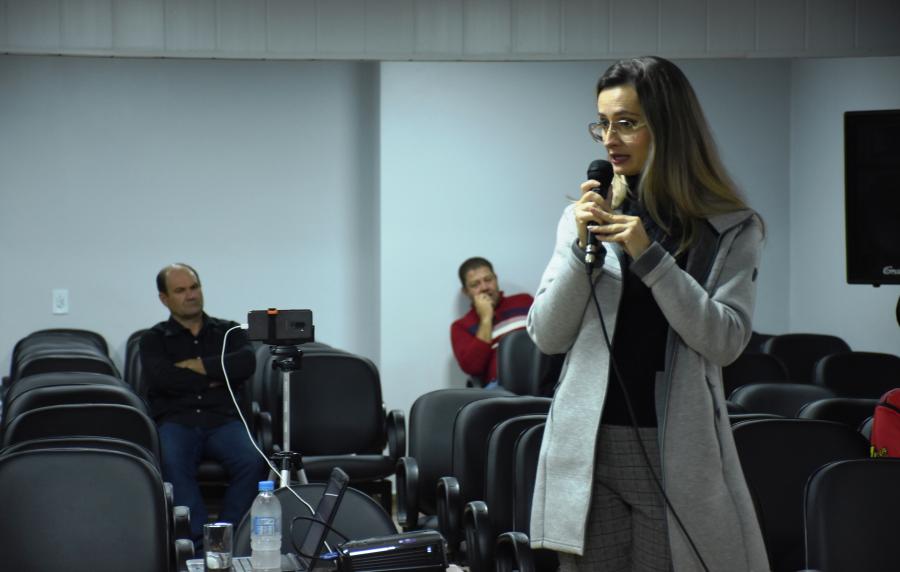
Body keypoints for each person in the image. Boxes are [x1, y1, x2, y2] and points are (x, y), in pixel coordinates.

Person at [527, 56, 769, 572]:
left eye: (627, 123)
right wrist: (582, 252)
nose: (610, 139)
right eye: (603, 124)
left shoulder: (728, 228)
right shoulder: (583, 218)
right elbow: (547, 334)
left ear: (668, 127)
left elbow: (725, 341)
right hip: (586, 446)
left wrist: (651, 257)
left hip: (671, 448)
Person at [140, 263, 266, 543]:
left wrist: (194, 365)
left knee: (253, 461)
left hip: (223, 420)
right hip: (177, 421)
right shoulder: (152, 339)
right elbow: (162, 379)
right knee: (171, 462)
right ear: (164, 298)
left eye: (194, 287)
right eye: (180, 290)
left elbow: (245, 364)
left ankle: (229, 537)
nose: (191, 295)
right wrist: (216, 375)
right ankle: (197, 544)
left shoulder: (229, 331)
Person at [450, 257, 533, 389]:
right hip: (501, 388)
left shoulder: (524, 301)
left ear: (496, 279)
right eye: (475, 285)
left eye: (488, 280)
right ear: (466, 291)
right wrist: (486, 319)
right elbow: (472, 367)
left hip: (540, 374)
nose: (484, 287)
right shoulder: (461, 326)